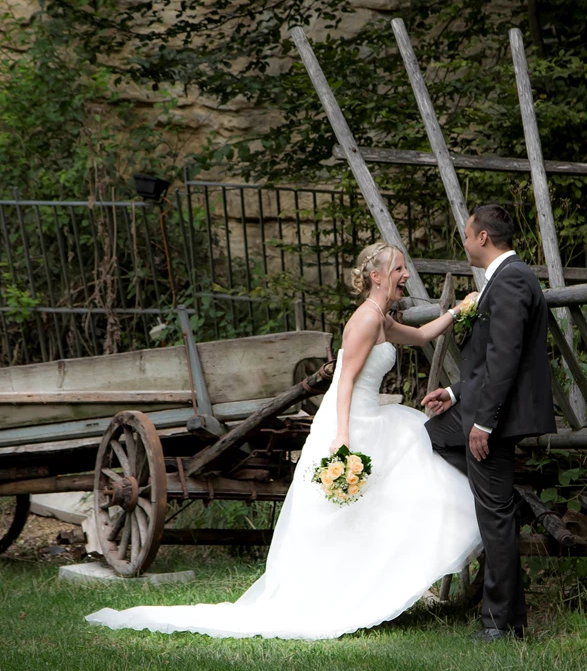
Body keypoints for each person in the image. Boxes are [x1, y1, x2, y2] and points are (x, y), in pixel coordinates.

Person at [86, 242, 483, 640]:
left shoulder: (380, 316)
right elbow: (343, 381)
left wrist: (456, 310)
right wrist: (342, 438)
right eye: (399, 268)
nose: (406, 275)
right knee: (341, 511)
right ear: (377, 276)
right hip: (350, 421)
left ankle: (365, 585)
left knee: (380, 500)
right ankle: (329, 595)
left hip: (373, 418)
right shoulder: (364, 320)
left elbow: (419, 334)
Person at [422, 204, 555, 642]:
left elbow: (506, 358)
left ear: (483, 237)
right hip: (481, 407)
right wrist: (456, 394)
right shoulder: (498, 282)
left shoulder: (512, 279)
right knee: (431, 435)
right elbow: (486, 364)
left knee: (494, 521)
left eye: (465, 234)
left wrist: (484, 423)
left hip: (499, 418)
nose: (463, 242)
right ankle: (510, 503)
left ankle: (501, 624)